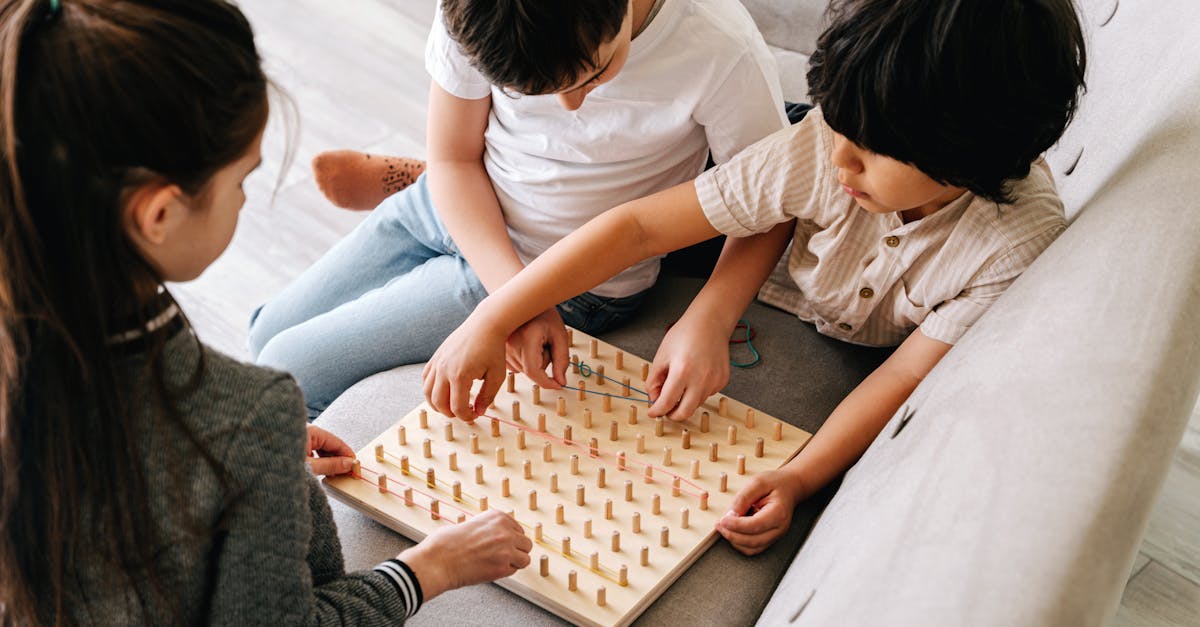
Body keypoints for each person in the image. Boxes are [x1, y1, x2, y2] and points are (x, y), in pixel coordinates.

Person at [421, 0, 1087, 555]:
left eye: (870, 148)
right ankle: (411, 180)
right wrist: (495, 315)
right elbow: (639, 228)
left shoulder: (1010, 248)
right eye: (839, 126)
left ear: (966, 160)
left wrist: (799, 478)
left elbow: (905, 376)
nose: (841, 156)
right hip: (756, 196)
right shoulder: (821, 147)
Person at [0, 1, 530, 623]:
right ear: (161, 214)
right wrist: (429, 568)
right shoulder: (246, 418)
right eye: (242, 181)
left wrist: (256, 460)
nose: (247, 197)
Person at [245, 0, 789, 418]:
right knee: (264, 331)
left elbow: (772, 203)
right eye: (531, 94)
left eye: (595, 75)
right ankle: (407, 175)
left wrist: (712, 317)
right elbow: (456, 159)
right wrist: (512, 301)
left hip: (572, 281)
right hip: (448, 203)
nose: (571, 106)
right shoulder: (480, 16)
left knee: (286, 373)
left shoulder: (719, 47)